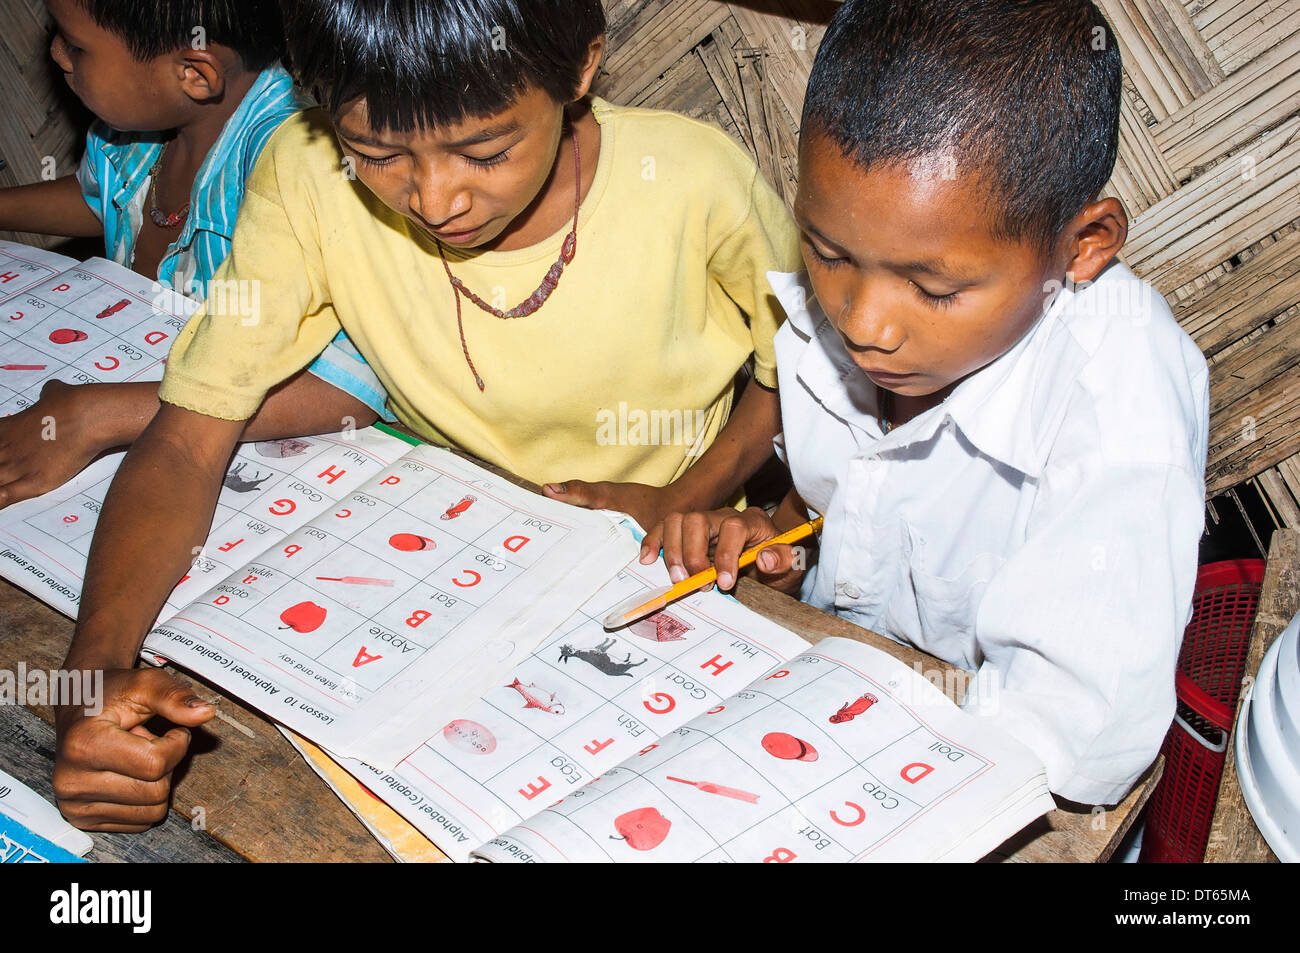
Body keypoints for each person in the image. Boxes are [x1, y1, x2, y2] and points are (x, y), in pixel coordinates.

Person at [52, 0, 800, 830]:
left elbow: (795, 383)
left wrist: (688, 492)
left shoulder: (694, 179)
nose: (437, 198)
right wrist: (88, 677)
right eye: (375, 152)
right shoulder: (307, 173)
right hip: (447, 581)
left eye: (486, 150)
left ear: (581, 70)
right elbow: (189, 438)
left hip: (682, 575)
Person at [645, 0, 1209, 806]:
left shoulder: (1118, 395)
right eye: (828, 252)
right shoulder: (845, 307)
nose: (863, 322)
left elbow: (1077, 738)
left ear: (1081, 248)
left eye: (934, 287)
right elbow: (843, 514)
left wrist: (837, 732)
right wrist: (776, 550)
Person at [0, 0, 387, 508]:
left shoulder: (296, 167)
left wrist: (95, 415)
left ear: (195, 74)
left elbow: (349, 387)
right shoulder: (134, 128)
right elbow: (111, 200)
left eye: (75, 45)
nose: (56, 55)